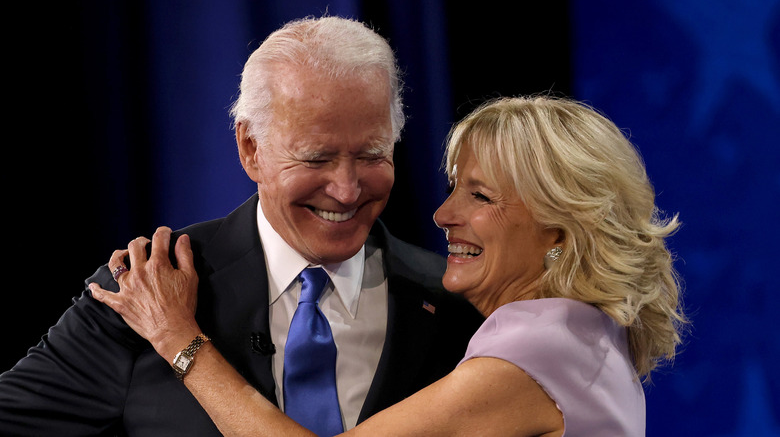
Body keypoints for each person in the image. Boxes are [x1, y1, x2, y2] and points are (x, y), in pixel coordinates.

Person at [90, 95, 688, 436]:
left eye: (479, 197)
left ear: (557, 223)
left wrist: (178, 338)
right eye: (454, 188)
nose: (442, 213)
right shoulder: (587, 330)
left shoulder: (540, 341)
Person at [0, 16, 483, 436]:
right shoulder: (145, 287)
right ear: (250, 148)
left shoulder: (456, 303)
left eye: (371, 155)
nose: (346, 189)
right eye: (316, 157)